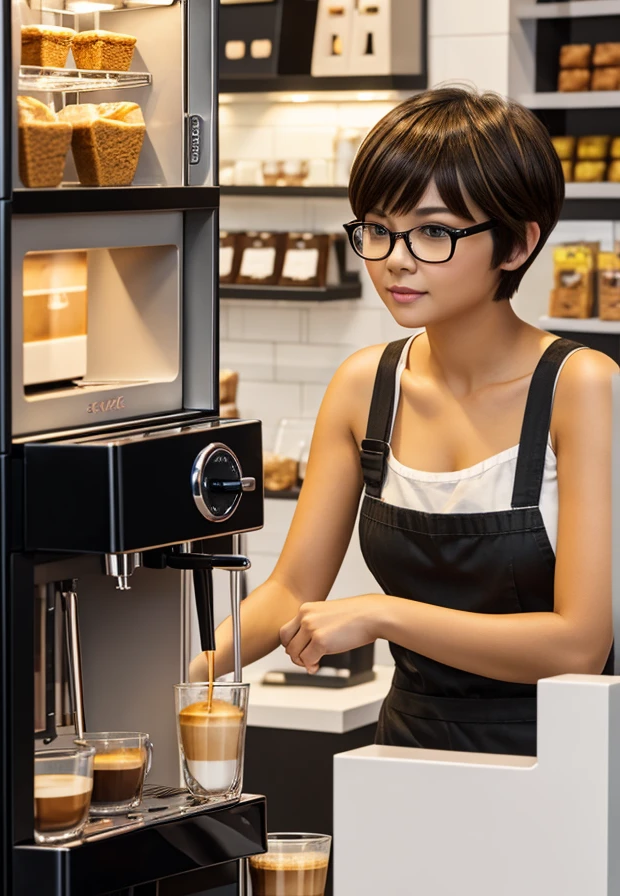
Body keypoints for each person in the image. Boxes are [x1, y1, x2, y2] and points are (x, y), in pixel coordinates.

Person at [192, 86, 617, 755]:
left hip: (565, 764)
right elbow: (290, 590)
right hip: (405, 753)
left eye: (433, 231)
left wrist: (381, 615)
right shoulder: (367, 384)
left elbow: (579, 645)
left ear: (517, 244)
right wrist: (185, 671)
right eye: (378, 228)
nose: (395, 257)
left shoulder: (581, 386)